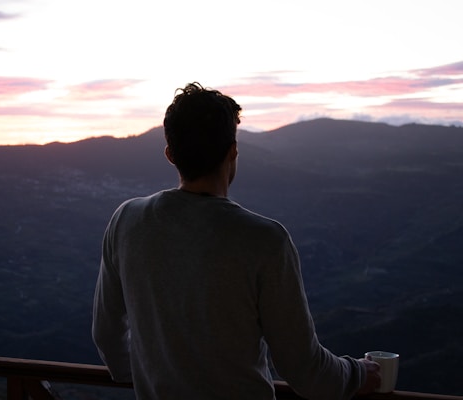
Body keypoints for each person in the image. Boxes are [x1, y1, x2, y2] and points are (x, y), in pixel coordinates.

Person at [92, 82, 381, 400]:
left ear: (170, 154)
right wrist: (356, 373)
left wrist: (135, 374)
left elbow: (107, 333)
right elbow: (303, 370)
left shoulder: (127, 220)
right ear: (233, 151)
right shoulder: (264, 240)